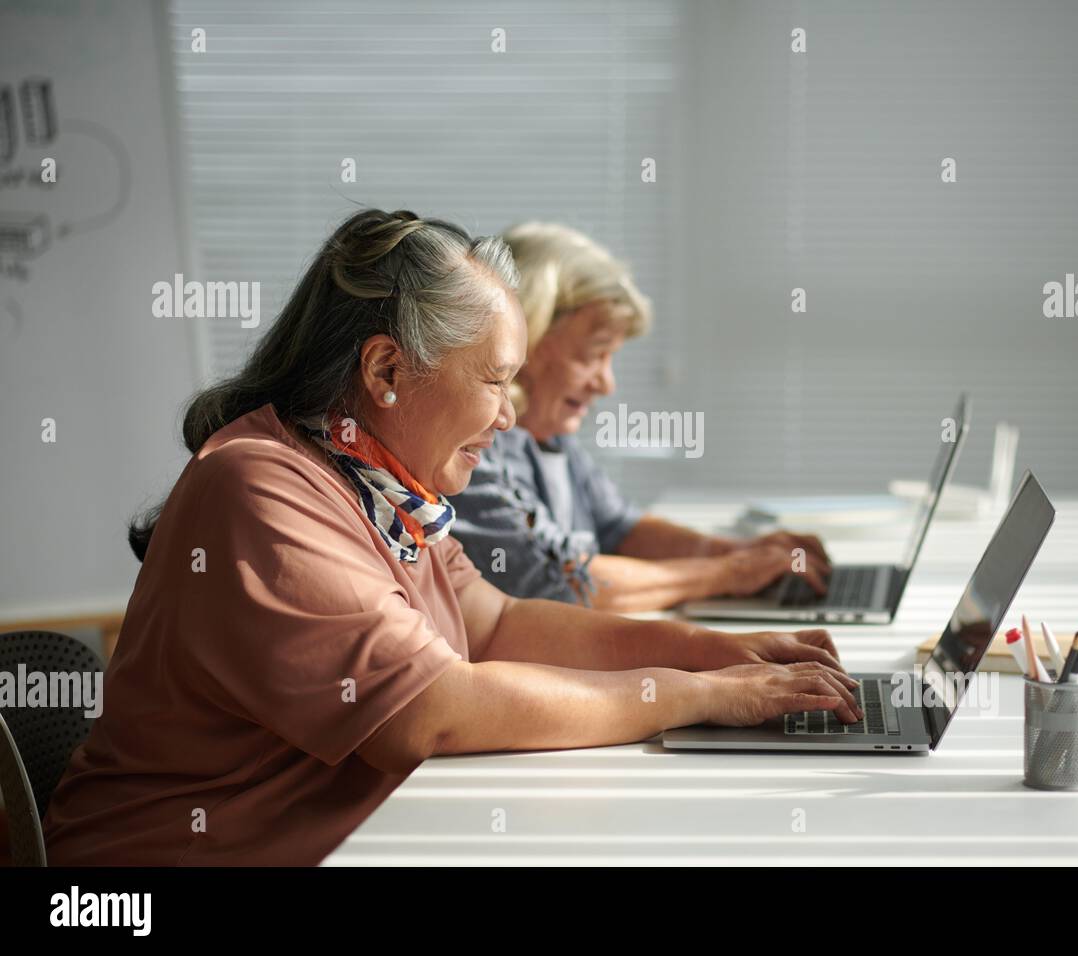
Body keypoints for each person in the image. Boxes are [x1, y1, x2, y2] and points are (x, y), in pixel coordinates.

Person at [40, 209, 862, 866]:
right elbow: (426, 711)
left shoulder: (377, 482)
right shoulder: (257, 486)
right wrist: (698, 697)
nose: (508, 417)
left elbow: (497, 622)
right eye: (496, 380)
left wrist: (710, 653)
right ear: (388, 372)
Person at [449, 222, 831, 612]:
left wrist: (739, 552)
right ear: (523, 335)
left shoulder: (550, 438)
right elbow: (558, 581)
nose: (606, 384)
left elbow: (620, 528)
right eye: (593, 355)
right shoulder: (473, 448)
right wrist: (729, 572)